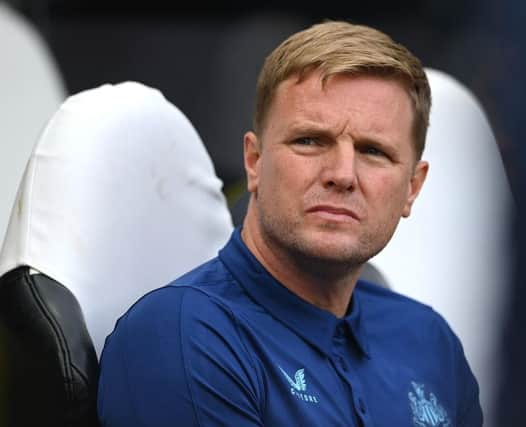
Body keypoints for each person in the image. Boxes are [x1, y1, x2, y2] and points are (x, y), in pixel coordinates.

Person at [98, 21, 482, 426]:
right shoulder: (184, 336)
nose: (342, 174)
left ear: (412, 188)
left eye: (373, 151)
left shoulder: (428, 339)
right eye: (310, 141)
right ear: (254, 162)